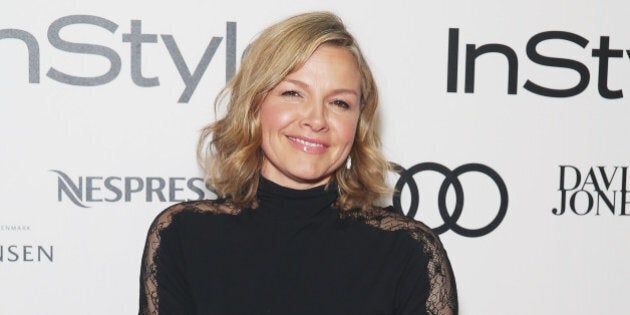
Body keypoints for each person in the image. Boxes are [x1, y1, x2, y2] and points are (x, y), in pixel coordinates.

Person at [139, 11, 458, 315]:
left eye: (339, 102)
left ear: (358, 122)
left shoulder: (408, 252)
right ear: (254, 105)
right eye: (293, 93)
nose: (317, 120)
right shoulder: (183, 236)